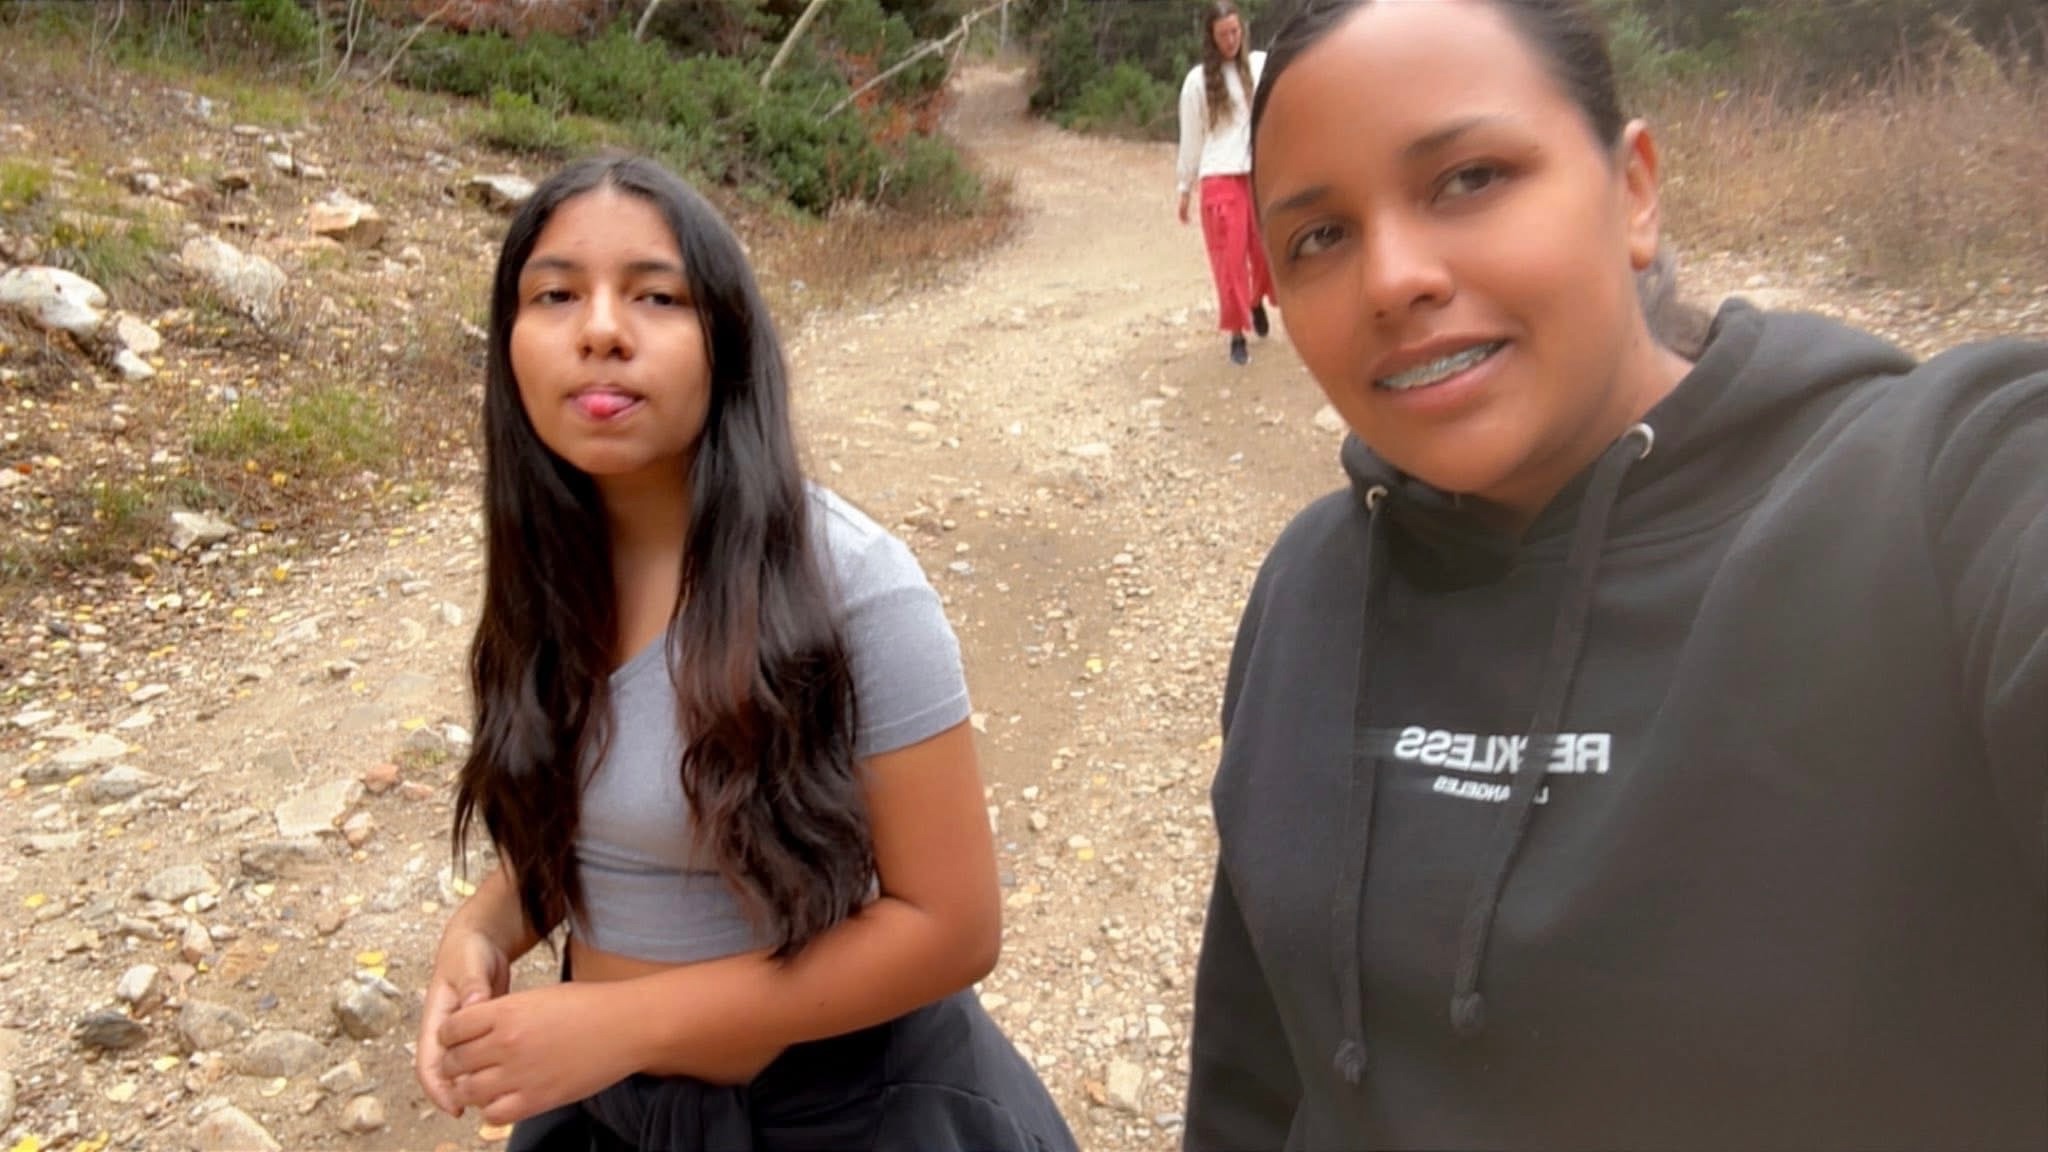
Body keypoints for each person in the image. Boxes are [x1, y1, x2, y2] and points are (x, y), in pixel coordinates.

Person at [1184, 1, 2048, 1149]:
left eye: (1468, 178)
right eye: (1318, 237)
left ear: (1632, 190)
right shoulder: (1307, 591)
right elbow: (1251, 1073)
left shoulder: (1941, 500)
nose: (1390, 278)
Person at [413, 154, 1077, 1152]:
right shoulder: (547, 571)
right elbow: (602, 826)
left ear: (725, 340)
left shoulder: (854, 585)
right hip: (610, 1113)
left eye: (656, 295)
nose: (601, 329)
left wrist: (622, 1024)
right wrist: (479, 932)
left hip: (839, 1118)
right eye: (555, 295)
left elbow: (953, 928)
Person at [1176, 0, 1275, 367]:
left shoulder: (1259, 65)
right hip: (1219, 177)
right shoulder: (1198, 82)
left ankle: (1255, 300)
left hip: (1256, 173)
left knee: (1264, 253)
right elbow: (1191, 138)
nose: (1231, 40)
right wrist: (1184, 187)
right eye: (1223, 35)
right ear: (1211, 38)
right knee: (1229, 261)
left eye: (1235, 32)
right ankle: (1236, 333)